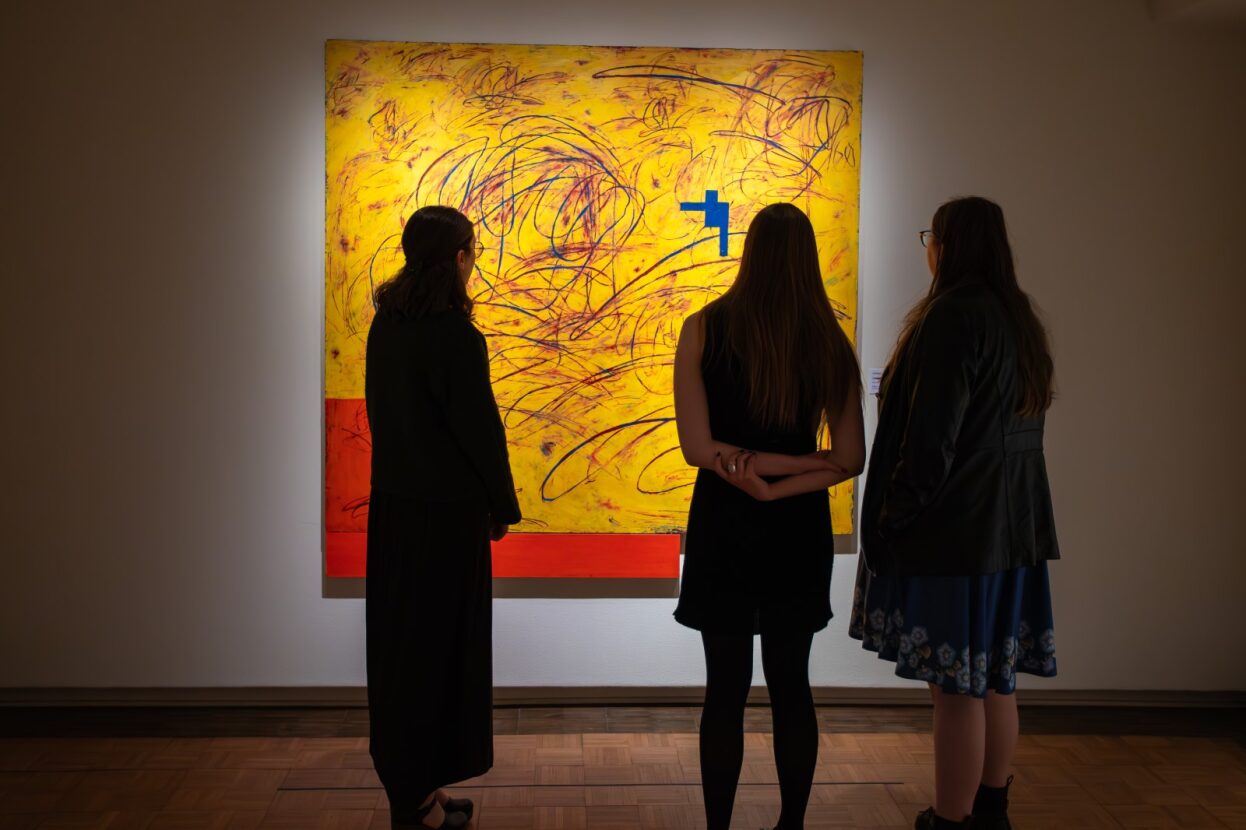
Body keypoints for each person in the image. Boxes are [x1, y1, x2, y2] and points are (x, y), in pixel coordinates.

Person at [850, 196, 1060, 830]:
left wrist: (893, 519)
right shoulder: (1017, 319)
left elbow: (931, 441)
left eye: (929, 238)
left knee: (955, 691)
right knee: (995, 678)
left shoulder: (951, 318)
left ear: (947, 246)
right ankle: (990, 809)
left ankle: (949, 819)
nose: (928, 250)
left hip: (957, 536)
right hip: (1012, 533)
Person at [673, 203, 865, 830]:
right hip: (795, 529)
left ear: (749, 252)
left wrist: (754, 474)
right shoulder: (829, 343)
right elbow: (849, 458)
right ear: (808, 261)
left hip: (723, 523)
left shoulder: (702, 327)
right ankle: (791, 826)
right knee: (792, 687)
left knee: (723, 691)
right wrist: (783, 483)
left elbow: (698, 449)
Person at [364, 205, 521, 830]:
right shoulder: (457, 336)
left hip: (397, 513)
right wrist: (502, 505)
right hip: (448, 521)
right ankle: (417, 803)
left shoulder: (388, 325)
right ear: (459, 258)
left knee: (404, 656)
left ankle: (416, 793)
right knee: (440, 658)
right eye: (473, 253)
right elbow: (481, 432)